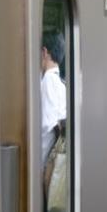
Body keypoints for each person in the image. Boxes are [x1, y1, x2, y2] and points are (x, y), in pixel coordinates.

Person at [40, 31, 67, 163]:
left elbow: (47, 126)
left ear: (44, 52)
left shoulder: (48, 79)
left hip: (44, 157)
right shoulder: (61, 83)